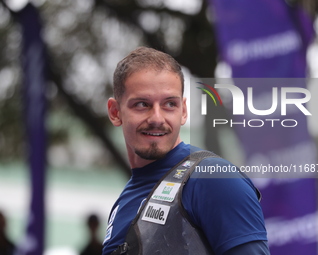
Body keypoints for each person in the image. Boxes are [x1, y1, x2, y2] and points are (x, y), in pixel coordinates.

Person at [103, 47, 270, 255]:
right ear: (115, 112)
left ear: (183, 111)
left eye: (169, 104)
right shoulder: (126, 199)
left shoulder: (213, 179)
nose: (156, 118)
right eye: (142, 104)